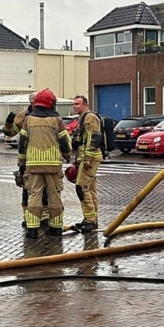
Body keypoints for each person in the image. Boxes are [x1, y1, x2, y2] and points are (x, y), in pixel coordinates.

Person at [18, 89, 71, 238]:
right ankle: (55, 228)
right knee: (54, 195)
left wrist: (21, 162)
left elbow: (22, 143)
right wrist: (67, 156)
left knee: (34, 195)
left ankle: (32, 229)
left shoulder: (28, 119)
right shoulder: (57, 120)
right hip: (53, 165)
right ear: (51, 103)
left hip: (33, 165)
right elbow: (63, 142)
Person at [5, 93, 49, 228]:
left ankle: (44, 217)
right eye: (34, 101)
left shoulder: (48, 114)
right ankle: (28, 217)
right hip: (28, 158)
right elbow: (11, 132)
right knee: (26, 189)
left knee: (45, 190)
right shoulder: (23, 116)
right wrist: (8, 123)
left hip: (45, 157)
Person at [71, 94, 103, 232]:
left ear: (85, 105)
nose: (74, 106)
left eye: (77, 104)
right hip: (85, 157)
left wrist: (87, 158)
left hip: (89, 158)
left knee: (81, 187)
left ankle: (90, 220)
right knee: (90, 188)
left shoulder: (89, 117)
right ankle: (92, 219)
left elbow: (93, 137)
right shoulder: (82, 118)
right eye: (74, 104)